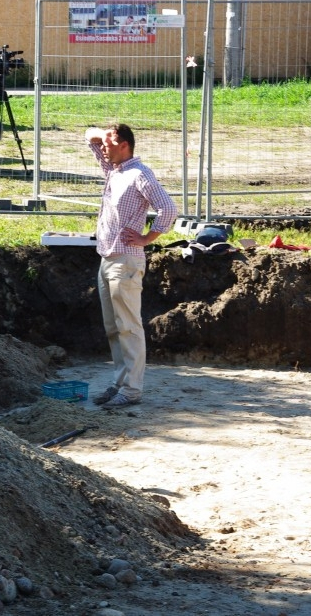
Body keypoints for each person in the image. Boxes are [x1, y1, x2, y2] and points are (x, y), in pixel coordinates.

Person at [86, 124, 177, 409]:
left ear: (124, 145)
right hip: (108, 258)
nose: (102, 149)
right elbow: (89, 135)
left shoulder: (140, 174)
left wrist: (147, 238)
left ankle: (132, 390)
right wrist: (106, 133)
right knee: (114, 327)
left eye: (109, 144)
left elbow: (169, 208)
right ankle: (120, 383)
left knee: (128, 327)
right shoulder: (114, 169)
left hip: (126, 259)